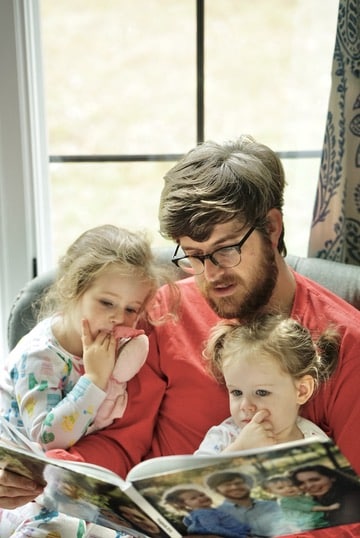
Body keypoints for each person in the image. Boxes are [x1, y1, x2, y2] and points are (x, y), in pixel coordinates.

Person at [2, 135, 360, 538]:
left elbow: (351, 515)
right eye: (193, 254)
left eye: (225, 250)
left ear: (272, 228)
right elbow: (120, 444)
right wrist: (46, 475)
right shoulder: (164, 312)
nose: (209, 274)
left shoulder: (348, 344)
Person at [0, 224, 172, 536]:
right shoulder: (40, 357)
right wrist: (94, 379)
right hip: (18, 490)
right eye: (106, 302)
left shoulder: (108, 346)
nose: (118, 317)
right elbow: (48, 438)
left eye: (131, 308)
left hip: (70, 482)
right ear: (73, 288)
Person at [195, 314, 339, 455]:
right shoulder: (224, 437)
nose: (245, 405)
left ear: (302, 391)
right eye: (236, 392)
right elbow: (191, 478)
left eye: (261, 392)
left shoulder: (315, 442)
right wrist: (240, 449)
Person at [204, 470, 291, 537]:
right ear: (217, 490)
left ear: (249, 485)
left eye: (238, 483)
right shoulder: (216, 515)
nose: (234, 487)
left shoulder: (272, 505)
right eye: (227, 485)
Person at [163, 485, 251, 538]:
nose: (201, 498)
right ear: (184, 505)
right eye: (193, 498)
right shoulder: (204, 513)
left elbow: (189, 523)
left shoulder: (195, 514)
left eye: (202, 495)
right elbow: (214, 529)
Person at [261, 473, 340, 531]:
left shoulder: (297, 496)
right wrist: (329, 508)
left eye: (291, 485)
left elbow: (310, 500)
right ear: (270, 492)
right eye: (281, 488)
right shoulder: (286, 501)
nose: (288, 489)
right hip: (310, 526)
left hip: (318, 521)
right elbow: (309, 508)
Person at [290, 464, 360, 527]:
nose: (309, 486)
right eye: (301, 483)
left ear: (332, 478)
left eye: (314, 480)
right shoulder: (309, 502)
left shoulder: (352, 498)